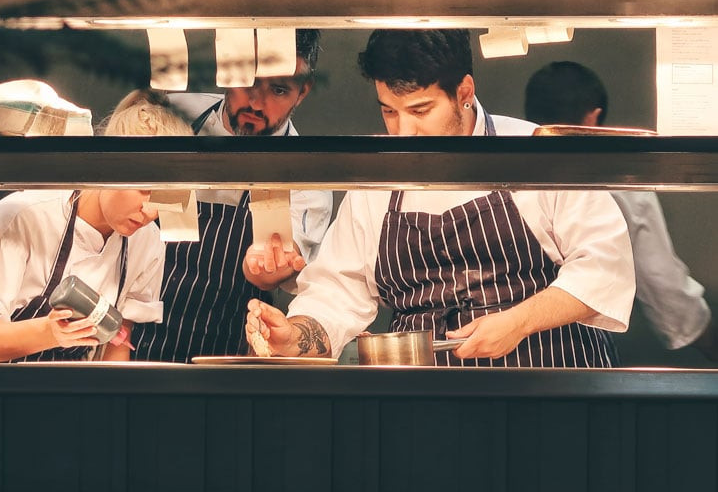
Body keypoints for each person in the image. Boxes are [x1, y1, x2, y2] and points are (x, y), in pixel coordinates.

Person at [245, 29, 636, 368]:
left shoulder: (536, 153)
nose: (404, 131)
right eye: (389, 112)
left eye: (420, 110)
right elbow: (337, 291)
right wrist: (293, 335)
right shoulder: (377, 178)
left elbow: (604, 267)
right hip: (426, 403)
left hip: (551, 390)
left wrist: (518, 322)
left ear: (464, 92)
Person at [0, 90, 193, 362]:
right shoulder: (22, 217)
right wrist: (49, 331)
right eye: (144, 190)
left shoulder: (146, 242)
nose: (149, 211)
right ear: (108, 166)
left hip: (54, 390)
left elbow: (117, 344)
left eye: (164, 196)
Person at [128, 29, 333, 362]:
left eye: (278, 90)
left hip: (228, 360)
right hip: (133, 344)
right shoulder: (170, 117)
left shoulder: (303, 179)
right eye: (247, 82)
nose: (256, 102)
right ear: (226, 71)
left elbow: (276, 264)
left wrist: (266, 266)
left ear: (302, 92)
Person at [525, 61, 718, 361]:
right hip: (580, 358)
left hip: (496, 359)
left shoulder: (503, 173)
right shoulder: (621, 185)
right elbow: (662, 285)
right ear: (594, 116)